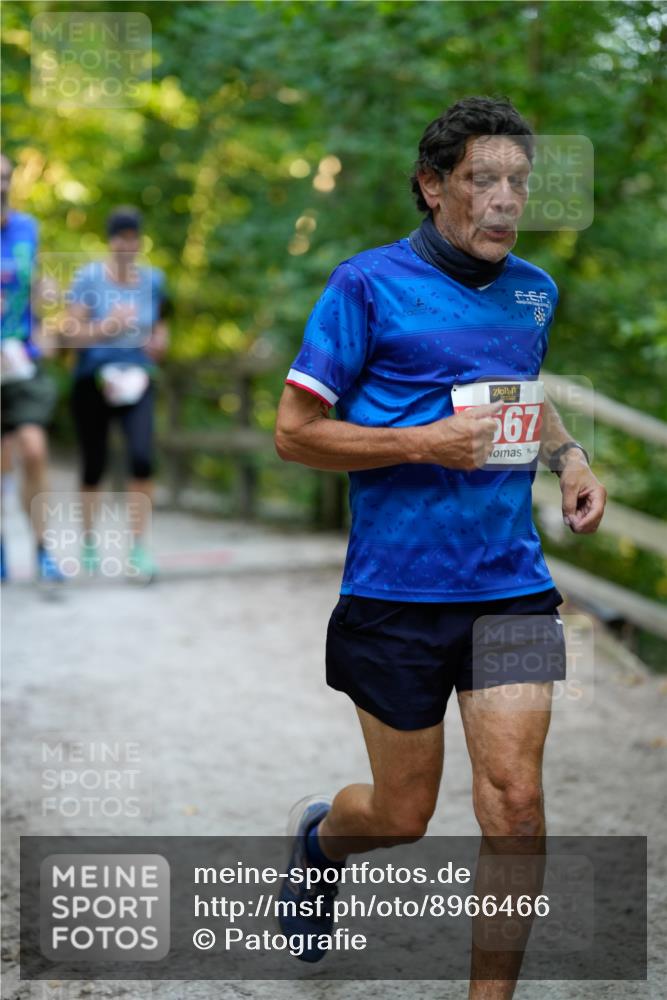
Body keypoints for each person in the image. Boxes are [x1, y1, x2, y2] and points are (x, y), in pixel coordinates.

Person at [274, 97, 607, 995]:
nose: (504, 201)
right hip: (395, 592)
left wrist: (568, 457)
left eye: (518, 183)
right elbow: (294, 432)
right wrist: (421, 441)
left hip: (507, 583)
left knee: (515, 804)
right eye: (481, 181)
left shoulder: (533, 288)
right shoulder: (365, 286)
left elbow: (521, 396)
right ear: (431, 188)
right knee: (401, 813)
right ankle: (320, 842)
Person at [63, 206, 169, 579]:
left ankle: (138, 549)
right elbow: (70, 334)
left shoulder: (154, 280)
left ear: (139, 240)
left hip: (137, 378)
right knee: (95, 463)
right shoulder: (88, 279)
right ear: (110, 241)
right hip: (93, 378)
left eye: (132, 237)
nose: (127, 244)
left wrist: (158, 342)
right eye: (120, 237)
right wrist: (108, 325)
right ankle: (89, 542)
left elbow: (161, 326)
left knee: (142, 458)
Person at [0, 152, 62, 584]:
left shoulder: (27, 229)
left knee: (34, 450)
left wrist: (46, 301)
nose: (1, 184)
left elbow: (32, 284)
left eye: (5, 177)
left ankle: (42, 549)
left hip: (21, 358)